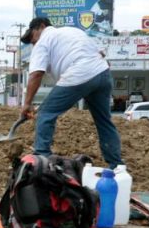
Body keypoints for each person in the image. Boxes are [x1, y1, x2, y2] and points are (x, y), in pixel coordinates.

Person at [19, 17, 123, 167]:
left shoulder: (43, 41)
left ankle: (42, 158)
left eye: (32, 37)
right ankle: (117, 165)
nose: (33, 43)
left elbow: (36, 74)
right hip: (102, 73)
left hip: (79, 73)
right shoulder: (72, 31)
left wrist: (27, 104)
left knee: (45, 113)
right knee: (104, 121)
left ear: (41, 27)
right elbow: (100, 52)